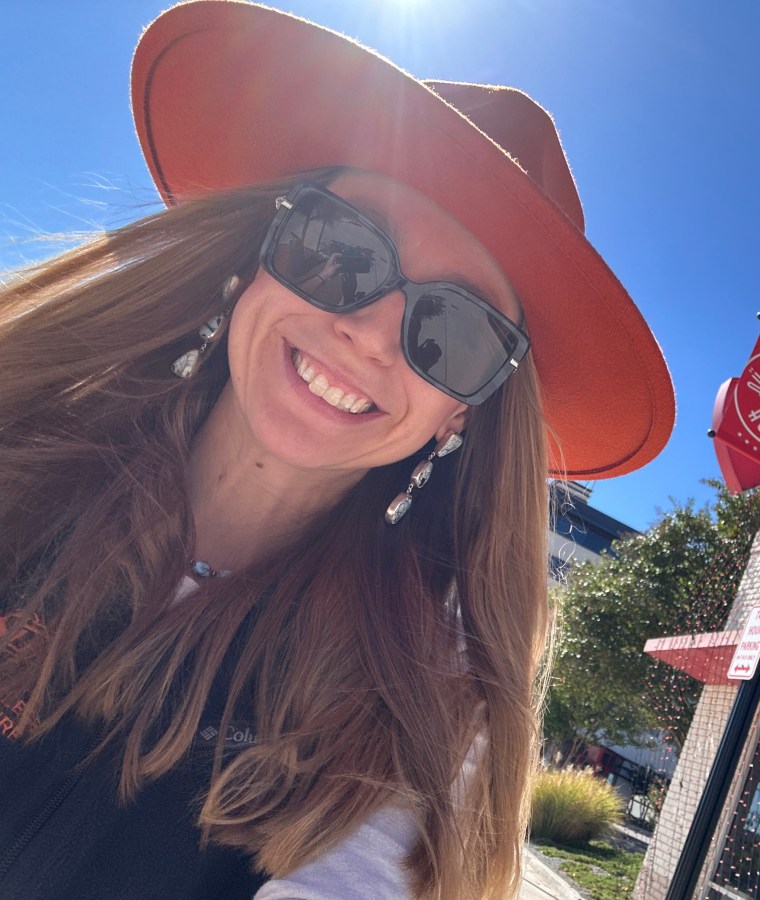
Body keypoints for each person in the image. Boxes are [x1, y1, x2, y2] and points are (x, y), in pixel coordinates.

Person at [0, 3, 674, 898]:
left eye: (456, 333)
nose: (370, 333)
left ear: (462, 414)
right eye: (342, 247)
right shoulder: (25, 441)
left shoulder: (414, 709)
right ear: (262, 252)